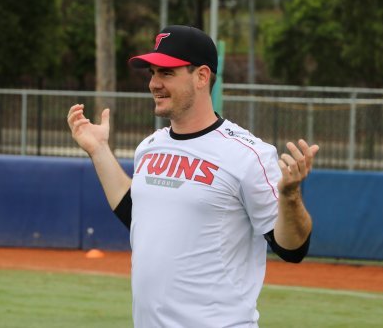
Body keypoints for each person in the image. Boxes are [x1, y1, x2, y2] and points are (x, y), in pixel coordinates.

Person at [67, 25, 318, 328]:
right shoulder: (150, 146)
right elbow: (139, 214)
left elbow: (292, 249)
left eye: (166, 73)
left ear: (201, 76)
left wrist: (289, 197)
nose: (154, 83)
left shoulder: (248, 154)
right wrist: (99, 151)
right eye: (152, 73)